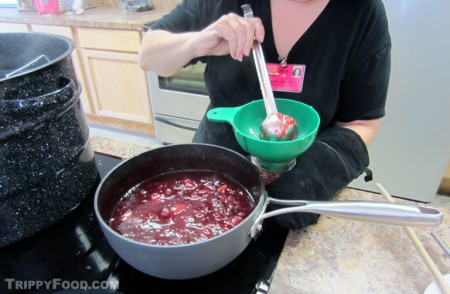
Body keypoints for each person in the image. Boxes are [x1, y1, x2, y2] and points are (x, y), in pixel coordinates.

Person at [139, 0, 391, 229]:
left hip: (300, 188)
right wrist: (198, 42)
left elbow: (362, 121)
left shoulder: (362, 12)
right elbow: (148, 55)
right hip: (214, 170)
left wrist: (314, 174)